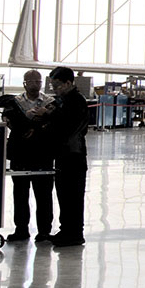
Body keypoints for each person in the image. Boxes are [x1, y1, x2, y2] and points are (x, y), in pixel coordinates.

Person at [40, 66, 92, 248]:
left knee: (73, 196)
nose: (54, 88)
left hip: (74, 155)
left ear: (68, 83)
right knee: (63, 194)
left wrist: (49, 122)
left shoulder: (76, 102)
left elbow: (69, 128)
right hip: (63, 154)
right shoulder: (62, 101)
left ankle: (75, 233)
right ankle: (66, 230)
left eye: (57, 85)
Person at [2, 69, 53, 243]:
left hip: (43, 154)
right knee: (20, 194)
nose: (34, 84)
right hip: (20, 154)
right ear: (24, 83)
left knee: (44, 195)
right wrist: (28, 122)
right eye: (31, 81)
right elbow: (9, 121)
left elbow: (53, 123)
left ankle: (45, 231)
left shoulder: (50, 102)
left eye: (38, 81)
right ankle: (21, 229)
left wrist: (35, 125)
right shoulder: (13, 102)